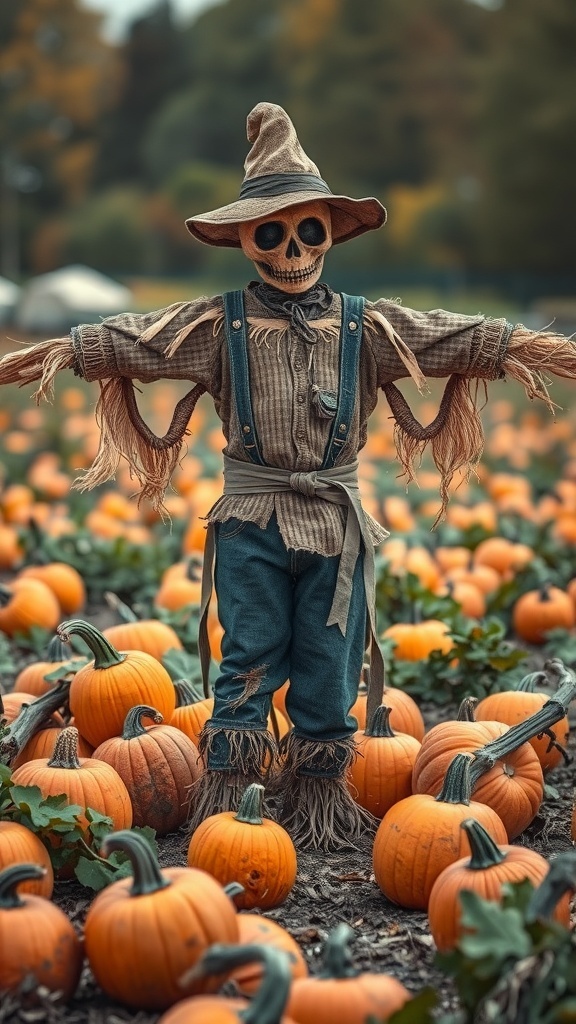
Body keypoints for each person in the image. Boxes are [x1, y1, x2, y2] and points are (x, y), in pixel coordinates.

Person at [2, 102, 575, 850]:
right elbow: (136, 339)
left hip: (336, 527)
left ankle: (319, 802)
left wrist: (531, 347)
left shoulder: (367, 326)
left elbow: (451, 334)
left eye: (309, 230)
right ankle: (228, 798)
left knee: (329, 664)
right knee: (246, 657)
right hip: (252, 524)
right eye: (270, 233)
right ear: (245, 239)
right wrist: (49, 354)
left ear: (331, 232)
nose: (292, 249)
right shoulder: (221, 326)